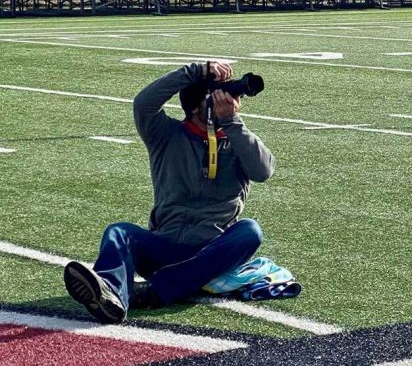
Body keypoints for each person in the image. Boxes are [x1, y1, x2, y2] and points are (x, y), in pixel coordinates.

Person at [63, 61, 274, 323]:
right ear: (196, 107)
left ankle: (153, 292)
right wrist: (193, 72)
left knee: (250, 231)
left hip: (209, 252)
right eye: (216, 98)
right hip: (164, 245)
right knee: (119, 232)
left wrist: (231, 122)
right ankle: (111, 295)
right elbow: (143, 104)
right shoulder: (166, 134)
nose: (227, 101)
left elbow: (263, 170)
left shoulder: (237, 140)